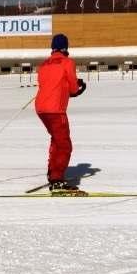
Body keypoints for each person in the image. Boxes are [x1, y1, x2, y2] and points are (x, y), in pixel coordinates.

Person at [36, 33, 86, 191]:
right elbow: (73, 86)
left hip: (41, 109)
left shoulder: (44, 64)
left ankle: (52, 172)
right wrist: (78, 87)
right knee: (65, 145)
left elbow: (45, 84)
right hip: (56, 110)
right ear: (66, 47)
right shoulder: (67, 62)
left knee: (56, 140)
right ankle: (57, 179)